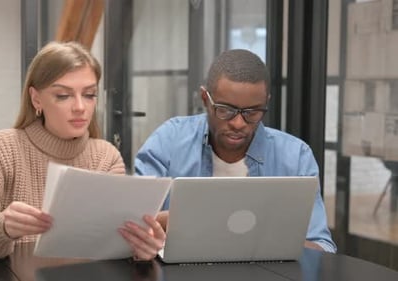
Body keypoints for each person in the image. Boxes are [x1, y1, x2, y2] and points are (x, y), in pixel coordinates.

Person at [0, 41, 165, 260]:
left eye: (89, 95)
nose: (80, 107)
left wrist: (139, 249)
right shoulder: (0, 148)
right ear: (36, 99)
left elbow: (113, 245)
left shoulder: (106, 156)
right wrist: (2, 226)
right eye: (63, 95)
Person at [135, 49, 337, 253]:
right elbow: (132, 225)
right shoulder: (169, 141)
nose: (239, 123)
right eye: (225, 110)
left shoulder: (296, 157)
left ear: (266, 102)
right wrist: (178, 221)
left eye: (253, 112)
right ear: (205, 98)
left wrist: (268, 240)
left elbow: (323, 247)